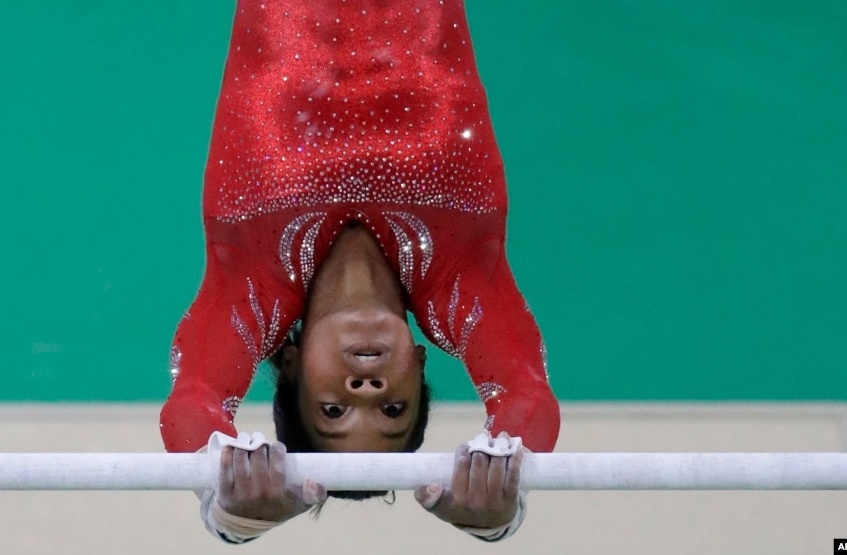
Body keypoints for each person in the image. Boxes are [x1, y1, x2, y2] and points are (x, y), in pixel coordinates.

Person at [160, 0, 560, 543]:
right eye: (393, 408)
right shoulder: (460, 279)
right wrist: (502, 510)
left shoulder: (252, 285)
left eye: (333, 410)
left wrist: (228, 512)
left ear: (294, 368)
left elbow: (193, 401)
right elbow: (528, 397)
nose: (365, 389)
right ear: (420, 366)